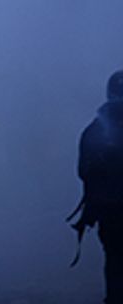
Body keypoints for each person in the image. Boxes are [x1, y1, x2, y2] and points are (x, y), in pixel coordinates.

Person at [75, 70, 123, 302]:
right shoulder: (96, 130)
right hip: (111, 211)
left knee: (116, 263)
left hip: (109, 211)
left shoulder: (95, 130)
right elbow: (85, 171)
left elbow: (83, 172)